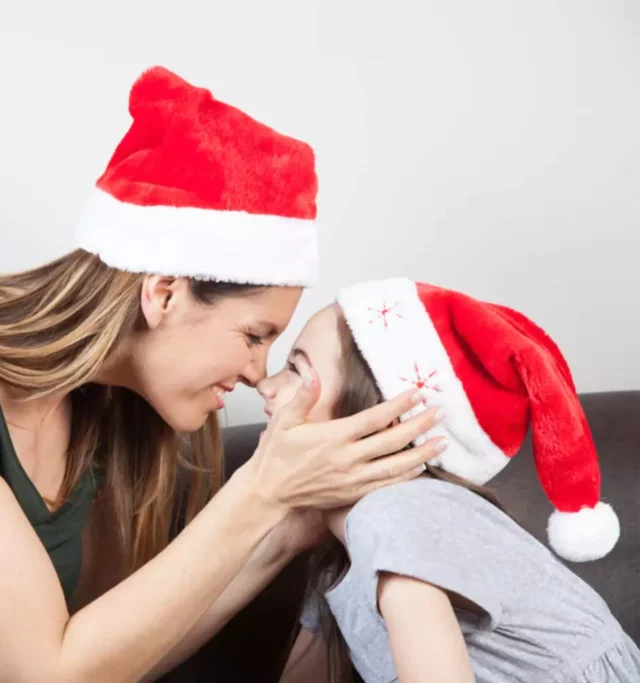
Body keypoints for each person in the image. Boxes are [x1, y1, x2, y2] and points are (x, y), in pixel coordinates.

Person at [0, 68, 446, 683]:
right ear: (162, 292)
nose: (259, 373)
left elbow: (109, 657)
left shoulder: (118, 419)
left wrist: (290, 530)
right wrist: (261, 487)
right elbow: (47, 670)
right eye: (255, 335)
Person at [260, 278, 637, 683]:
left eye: (296, 369)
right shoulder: (340, 553)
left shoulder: (393, 516)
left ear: (378, 419)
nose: (264, 386)